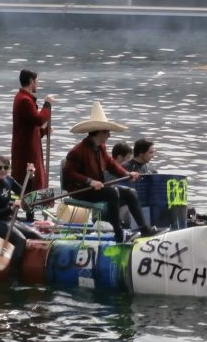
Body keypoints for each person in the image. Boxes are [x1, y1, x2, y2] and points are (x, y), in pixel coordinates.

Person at [61, 101, 157, 243]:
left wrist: (126, 175)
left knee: (130, 192)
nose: (109, 135)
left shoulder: (101, 147)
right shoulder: (77, 151)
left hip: (97, 189)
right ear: (99, 132)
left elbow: (111, 165)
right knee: (113, 192)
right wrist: (90, 181)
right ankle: (119, 233)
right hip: (82, 190)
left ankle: (144, 229)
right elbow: (69, 173)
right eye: (107, 132)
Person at [0, 157, 43, 280]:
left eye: (6, 167)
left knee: (37, 235)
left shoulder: (8, 180)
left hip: (8, 219)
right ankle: (13, 275)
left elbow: (25, 194)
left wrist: (30, 177)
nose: (2, 170)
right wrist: (11, 208)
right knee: (21, 240)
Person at [10, 68, 54, 193]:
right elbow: (39, 119)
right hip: (26, 150)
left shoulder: (22, 98)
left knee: (31, 182)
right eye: (37, 81)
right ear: (31, 81)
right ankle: (29, 210)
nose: (38, 84)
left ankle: (31, 210)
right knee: (30, 182)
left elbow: (29, 126)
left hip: (28, 147)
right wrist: (47, 105)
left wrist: (43, 132)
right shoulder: (24, 100)